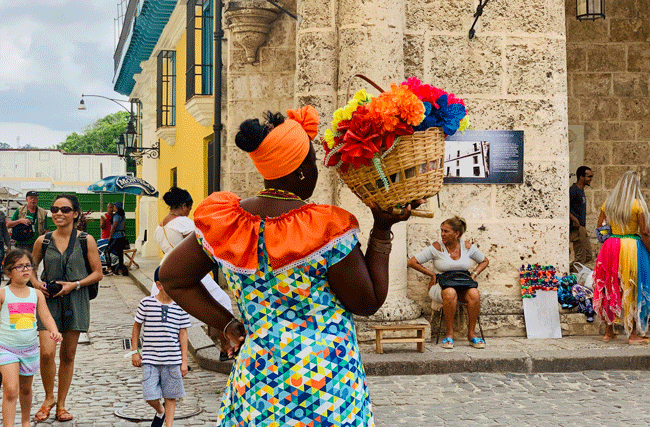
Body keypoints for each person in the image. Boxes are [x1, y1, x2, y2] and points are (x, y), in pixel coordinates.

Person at [159, 106, 421, 426]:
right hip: (328, 387)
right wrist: (381, 230)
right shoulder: (325, 227)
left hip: (259, 384)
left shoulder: (230, 222)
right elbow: (367, 302)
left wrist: (226, 323)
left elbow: (172, 277)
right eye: (312, 163)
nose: (315, 170)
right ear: (299, 172)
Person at [29, 194, 103, 422]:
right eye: (54, 209)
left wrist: (75, 284)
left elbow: (98, 273)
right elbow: (30, 267)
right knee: (46, 352)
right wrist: (35, 283)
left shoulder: (86, 240)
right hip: (47, 301)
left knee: (68, 355)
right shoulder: (43, 240)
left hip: (75, 301)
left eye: (65, 209)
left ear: (75, 213)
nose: (59, 213)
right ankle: (48, 397)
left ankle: (61, 404)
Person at [153, 187, 234, 360]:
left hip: (164, 270)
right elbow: (201, 246)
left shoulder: (160, 227)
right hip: (187, 270)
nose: (189, 212)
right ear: (183, 206)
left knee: (170, 315)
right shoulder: (184, 223)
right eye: (189, 208)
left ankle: (169, 357)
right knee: (220, 302)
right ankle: (225, 347)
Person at [0, 249, 62, 427]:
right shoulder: (3, 294)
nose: (25, 269)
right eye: (19, 266)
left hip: (29, 350)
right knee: (11, 389)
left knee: (26, 390)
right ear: (8, 272)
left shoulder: (36, 294)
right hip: (6, 349)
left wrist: (54, 330)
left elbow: (46, 316)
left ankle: (26, 422)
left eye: (28, 265)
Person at [407, 216, 489, 349]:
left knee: (474, 293)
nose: (442, 234)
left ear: (457, 234)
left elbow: (484, 260)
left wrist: (474, 274)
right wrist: (432, 274)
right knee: (450, 293)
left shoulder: (467, 246)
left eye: (446, 231)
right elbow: (412, 262)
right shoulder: (437, 247)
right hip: (441, 286)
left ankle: (472, 334)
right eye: (442, 230)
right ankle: (449, 334)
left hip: (463, 285)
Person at [593, 171, 650, 344]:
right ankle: (632, 334)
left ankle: (608, 332)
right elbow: (644, 232)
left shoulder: (608, 204)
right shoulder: (637, 205)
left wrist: (608, 240)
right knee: (632, 286)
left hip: (610, 246)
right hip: (632, 246)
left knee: (610, 285)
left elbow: (600, 227)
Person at [131, 266, 190, 427]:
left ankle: (168, 425)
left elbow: (183, 334)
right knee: (150, 395)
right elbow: (136, 327)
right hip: (150, 359)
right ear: (159, 285)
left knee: (171, 396)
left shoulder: (180, 306)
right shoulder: (146, 303)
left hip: (173, 360)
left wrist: (184, 362)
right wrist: (135, 351)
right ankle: (160, 411)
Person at [569, 166, 594, 272]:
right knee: (580, 258)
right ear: (581, 177)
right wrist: (574, 219)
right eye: (589, 176)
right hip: (576, 228)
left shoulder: (581, 190)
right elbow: (564, 207)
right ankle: (571, 277)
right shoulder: (573, 190)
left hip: (582, 228)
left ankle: (567, 270)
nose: (591, 179)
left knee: (588, 256)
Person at [107, 202, 129, 276]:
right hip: (122, 236)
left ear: (117, 207)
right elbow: (124, 226)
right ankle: (120, 270)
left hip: (116, 236)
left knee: (107, 251)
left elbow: (114, 226)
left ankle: (109, 268)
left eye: (114, 206)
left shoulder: (116, 216)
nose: (113, 207)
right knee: (120, 253)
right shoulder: (123, 216)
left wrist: (110, 235)